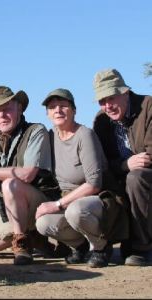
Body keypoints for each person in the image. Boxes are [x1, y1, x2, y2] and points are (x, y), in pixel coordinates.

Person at [0, 85, 59, 265]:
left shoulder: (36, 131)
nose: (2, 115)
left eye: (7, 109)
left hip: (39, 207)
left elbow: (27, 175)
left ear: (19, 108)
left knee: (10, 184)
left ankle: (21, 243)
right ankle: (32, 238)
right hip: (7, 211)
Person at [35, 88, 128, 268]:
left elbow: (94, 184)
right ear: (47, 114)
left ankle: (101, 247)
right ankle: (81, 246)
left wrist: (56, 204)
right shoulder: (50, 136)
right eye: (52, 107)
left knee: (75, 211)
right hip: (69, 198)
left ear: (74, 110)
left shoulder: (85, 135)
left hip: (99, 198)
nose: (58, 111)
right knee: (43, 223)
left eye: (63, 106)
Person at [93, 68, 152, 266]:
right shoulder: (100, 121)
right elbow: (101, 161)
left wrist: (128, 167)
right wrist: (124, 164)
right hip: (122, 174)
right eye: (102, 101)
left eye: (111, 98)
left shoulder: (149, 106)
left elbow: (149, 156)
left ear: (125, 92)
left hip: (145, 176)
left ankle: (142, 247)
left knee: (136, 178)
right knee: (97, 180)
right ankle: (102, 245)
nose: (107, 106)